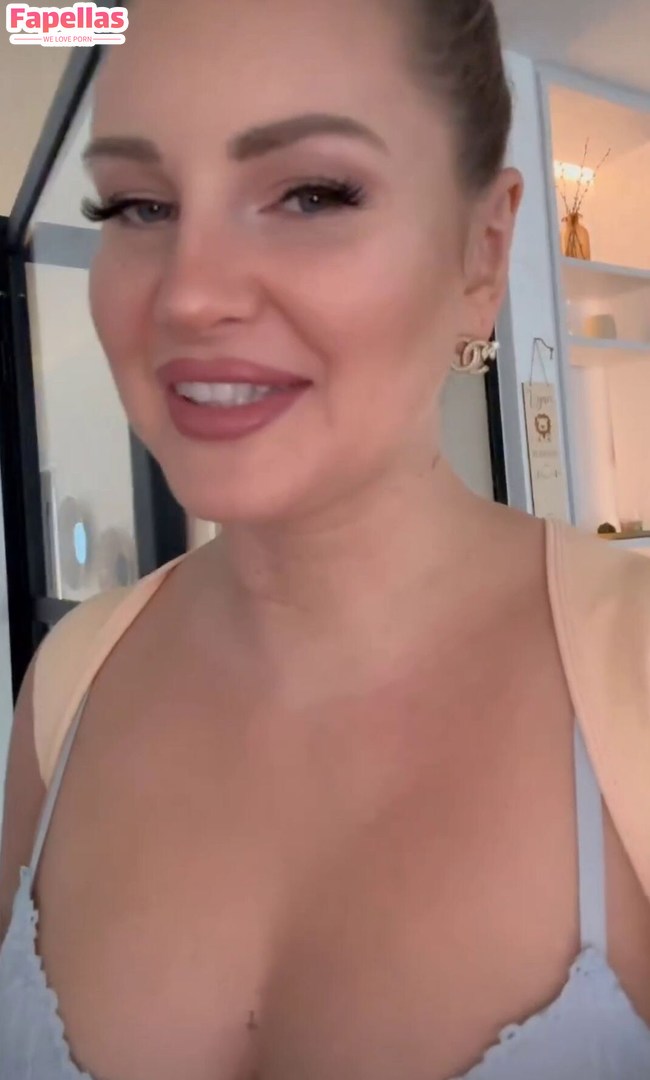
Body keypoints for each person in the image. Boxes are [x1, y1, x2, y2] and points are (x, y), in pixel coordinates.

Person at [1, 0, 650, 1077]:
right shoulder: (67, 689)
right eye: (137, 205)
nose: (190, 294)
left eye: (311, 193)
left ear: (481, 253)